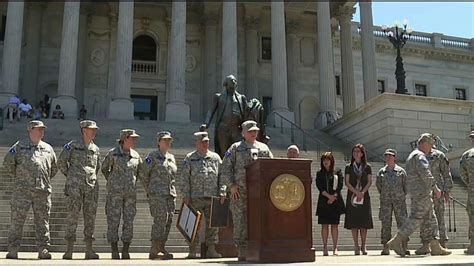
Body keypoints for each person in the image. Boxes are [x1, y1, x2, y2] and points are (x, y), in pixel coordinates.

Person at [388, 133, 451, 257]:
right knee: (415, 219)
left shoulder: (412, 156)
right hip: (422, 193)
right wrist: (436, 188)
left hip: (418, 192)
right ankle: (397, 240)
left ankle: (435, 245)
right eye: (430, 145)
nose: (431, 148)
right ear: (425, 143)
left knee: (431, 219)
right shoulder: (420, 156)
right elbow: (425, 173)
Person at [3, 120, 58, 259]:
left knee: (42, 222)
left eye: (42, 129)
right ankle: (13, 249)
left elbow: (53, 168)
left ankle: (43, 249)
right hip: (22, 192)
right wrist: (21, 179)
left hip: (42, 192)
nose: (42, 131)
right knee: (17, 220)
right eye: (39, 129)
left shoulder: (48, 148)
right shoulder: (20, 146)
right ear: (30, 130)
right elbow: (8, 164)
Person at [220, 120, 273, 261]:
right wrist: (231, 186)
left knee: (259, 220)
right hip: (240, 192)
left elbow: (272, 166)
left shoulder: (264, 148)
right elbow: (225, 169)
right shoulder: (235, 148)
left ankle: (259, 247)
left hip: (259, 194)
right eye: (250, 131)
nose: (254, 133)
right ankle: (242, 249)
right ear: (243, 133)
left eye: (255, 131)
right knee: (240, 221)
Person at [58, 120, 100, 260]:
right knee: (72, 216)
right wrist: (71, 176)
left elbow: (97, 168)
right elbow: (61, 162)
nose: (94, 131)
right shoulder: (72, 146)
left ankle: (89, 250)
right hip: (75, 188)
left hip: (91, 188)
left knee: (90, 218)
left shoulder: (96, 148)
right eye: (91, 129)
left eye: (95, 129)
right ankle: (69, 250)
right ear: (83, 130)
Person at [179, 132, 223, 259]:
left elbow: (222, 176)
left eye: (207, 141)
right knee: (193, 224)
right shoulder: (190, 158)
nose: (206, 143)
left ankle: (211, 249)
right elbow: (184, 178)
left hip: (212, 196)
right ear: (197, 143)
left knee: (213, 225)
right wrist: (186, 194)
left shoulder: (215, 158)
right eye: (203, 141)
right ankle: (192, 250)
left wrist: (222, 191)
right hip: (195, 196)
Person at [102, 129, 143, 259]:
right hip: (115, 194)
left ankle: (126, 249)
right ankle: (114, 249)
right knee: (113, 221)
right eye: (132, 138)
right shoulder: (113, 154)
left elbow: (140, 172)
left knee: (129, 221)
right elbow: (104, 169)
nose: (135, 140)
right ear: (125, 139)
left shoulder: (136, 156)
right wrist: (113, 182)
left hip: (130, 195)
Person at [142, 131, 177, 260]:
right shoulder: (152, 156)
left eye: (169, 140)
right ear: (158, 142)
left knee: (168, 220)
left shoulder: (171, 158)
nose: (168, 142)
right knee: (160, 219)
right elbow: (143, 173)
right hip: (157, 194)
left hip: (170, 194)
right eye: (165, 140)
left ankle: (162, 246)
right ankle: (154, 247)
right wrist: (150, 189)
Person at [416, 143, 454, 254]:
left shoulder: (439, 155)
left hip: (438, 191)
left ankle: (442, 243)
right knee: (424, 218)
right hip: (423, 192)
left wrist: (447, 190)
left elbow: (446, 173)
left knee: (440, 216)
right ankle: (425, 244)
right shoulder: (418, 156)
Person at [200, 74, 248, 157]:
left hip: (237, 129)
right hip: (223, 128)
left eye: (235, 81)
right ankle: (224, 168)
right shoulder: (219, 97)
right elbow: (211, 111)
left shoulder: (241, 98)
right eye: (231, 80)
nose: (233, 82)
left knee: (238, 151)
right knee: (224, 152)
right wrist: (206, 123)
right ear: (226, 83)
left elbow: (247, 112)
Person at [376, 148, 409, 255]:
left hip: (399, 201)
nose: (388, 157)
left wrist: (399, 195)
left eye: (390, 155)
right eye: (386, 155)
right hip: (385, 201)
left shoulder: (401, 171)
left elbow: (406, 186)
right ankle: (386, 246)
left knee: (402, 223)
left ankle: (404, 245)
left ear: (394, 157)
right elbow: (379, 186)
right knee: (386, 224)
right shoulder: (381, 172)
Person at [344, 143, 373, 255]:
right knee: (354, 222)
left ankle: (363, 246)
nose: (356, 153)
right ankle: (356, 245)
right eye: (354, 151)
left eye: (358, 151)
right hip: (352, 196)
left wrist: (362, 192)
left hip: (364, 196)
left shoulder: (367, 167)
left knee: (363, 222)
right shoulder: (348, 167)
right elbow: (347, 182)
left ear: (362, 154)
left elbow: (370, 181)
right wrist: (356, 192)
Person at [315, 152, 345, 256]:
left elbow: (340, 185)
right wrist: (328, 196)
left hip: (335, 201)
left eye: (327, 160)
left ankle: (335, 247)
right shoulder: (320, 173)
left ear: (331, 161)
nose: (325, 162)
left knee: (334, 225)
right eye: (324, 160)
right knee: (324, 225)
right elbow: (320, 187)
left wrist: (333, 197)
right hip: (324, 201)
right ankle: (325, 247)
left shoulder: (337, 171)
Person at [460, 131, 474, 255]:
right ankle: (473, 244)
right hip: (473, 193)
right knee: (473, 218)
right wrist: (470, 185)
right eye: (472, 138)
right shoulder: (467, 155)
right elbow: (462, 172)